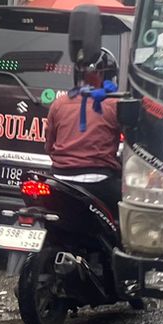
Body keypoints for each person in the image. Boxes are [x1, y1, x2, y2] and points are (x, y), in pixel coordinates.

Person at [44, 56, 121, 210]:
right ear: (107, 76)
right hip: (98, 181)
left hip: (59, 178)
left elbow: (48, 146)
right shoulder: (114, 104)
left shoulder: (59, 104)